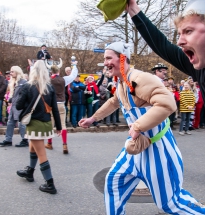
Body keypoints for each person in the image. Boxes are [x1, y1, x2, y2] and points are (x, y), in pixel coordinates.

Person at [79, 41, 205, 214]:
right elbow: (115, 101)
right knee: (113, 183)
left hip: (158, 151)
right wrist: (93, 118)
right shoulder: (122, 81)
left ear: (122, 58)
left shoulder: (139, 78)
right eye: (105, 58)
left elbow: (168, 104)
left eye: (109, 58)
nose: (106, 62)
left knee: (170, 204)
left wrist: (138, 126)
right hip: (135, 150)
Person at [126, 0, 205, 105]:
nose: (179, 42)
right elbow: (162, 45)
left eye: (188, 31)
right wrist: (132, 8)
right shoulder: (199, 66)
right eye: (179, 34)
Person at [15, 60, 61, 194]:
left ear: (32, 71)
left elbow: (18, 105)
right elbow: (55, 109)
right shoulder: (50, 87)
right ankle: (29, 171)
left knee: (41, 153)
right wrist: (58, 126)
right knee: (32, 146)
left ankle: (50, 184)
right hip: (46, 123)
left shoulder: (28, 86)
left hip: (34, 124)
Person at [45, 62, 78, 153]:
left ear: (51, 71)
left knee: (50, 125)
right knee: (63, 124)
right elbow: (73, 75)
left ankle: (49, 143)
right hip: (61, 104)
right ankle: (64, 145)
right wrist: (74, 65)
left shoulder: (47, 80)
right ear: (59, 71)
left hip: (51, 105)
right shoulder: (63, 79)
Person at [0, 66, 28, 147]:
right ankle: (8, 140)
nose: (10, 73)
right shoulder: (13, 82)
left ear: (17, 72)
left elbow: (24, 95)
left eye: (12, 72)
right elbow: (15, 94)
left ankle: (25, 140)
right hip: (13, 105)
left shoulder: (24, 82)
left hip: (20, 106)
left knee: (21, 123)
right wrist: (11, 99)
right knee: (10, 122)